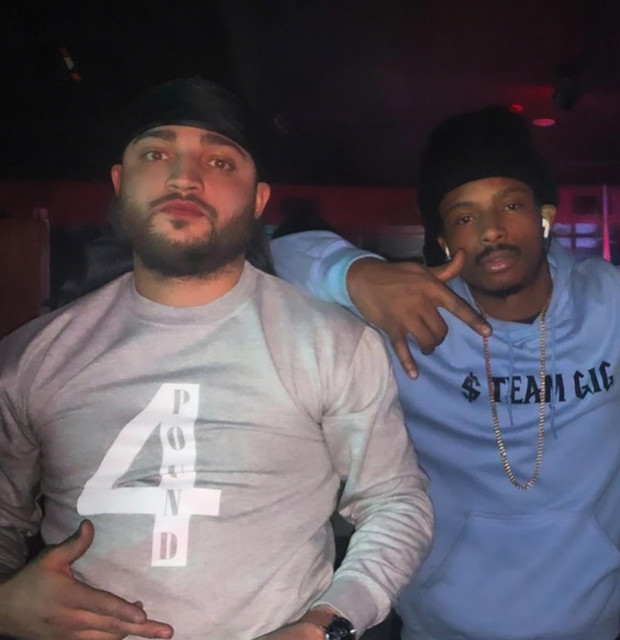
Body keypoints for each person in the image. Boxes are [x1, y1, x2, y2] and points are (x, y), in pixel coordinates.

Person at [0, 78, 434, 640]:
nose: (185, 177)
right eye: (157, 154)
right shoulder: (31, 359)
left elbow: (395, 502)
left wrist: (323, 626)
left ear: (258, 201)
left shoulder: (332, 344)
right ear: (120, 183)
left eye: (220, 161)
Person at [271, 106, 620, 640]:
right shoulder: (414, 317)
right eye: (465, 216)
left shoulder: (619, 307)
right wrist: (356, 273)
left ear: (544, 215)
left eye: (510, 204)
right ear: (442, 240)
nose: (492, 230)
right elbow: (277, 255)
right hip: (438, 628)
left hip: (589, 629)